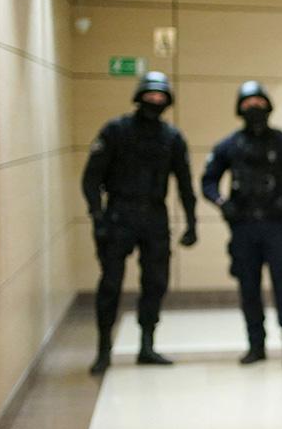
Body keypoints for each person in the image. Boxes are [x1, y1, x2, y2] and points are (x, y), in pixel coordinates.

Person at [82, 71, 198, 376]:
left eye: (161, 97)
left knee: (156, 283)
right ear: (139, 96)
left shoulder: (172, 138)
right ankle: (104, 349)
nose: (155, 101)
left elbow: (185, 184)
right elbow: (91, 178)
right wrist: (97, 216)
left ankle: (147, 345)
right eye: (151, 95)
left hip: (154, 218)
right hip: (118, 215)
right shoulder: (115, 131)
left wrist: (192, 222)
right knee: (110, 284)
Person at [202, 81, 282, 369]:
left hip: (277, 226)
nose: (254, 109)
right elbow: (208, 181)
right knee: (248, 288)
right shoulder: (229, 145)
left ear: (269, 106)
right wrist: (221, 201)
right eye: (248, 104)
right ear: (239, 109)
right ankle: (256, 345)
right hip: (243, 227)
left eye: (259, 103)